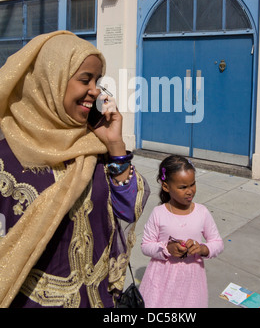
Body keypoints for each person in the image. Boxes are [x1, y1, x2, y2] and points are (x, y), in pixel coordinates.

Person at [0, 30, 149, 308]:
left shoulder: (96, 147)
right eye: (85, 79)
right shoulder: (7, 158)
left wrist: (115, 144)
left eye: (98, 81)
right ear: (50, 82)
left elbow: (130, 210)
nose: (96, 90)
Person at [139, 155, 224, 308]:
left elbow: (217, 243)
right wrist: (166, 249)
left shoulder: (202, 213)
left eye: (192, 185)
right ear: (166, 187)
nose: (190, 191)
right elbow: (146, 245)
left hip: (191, 281)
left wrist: (203, 249)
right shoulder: (159, 213)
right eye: (183, 187)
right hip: (160, 280)